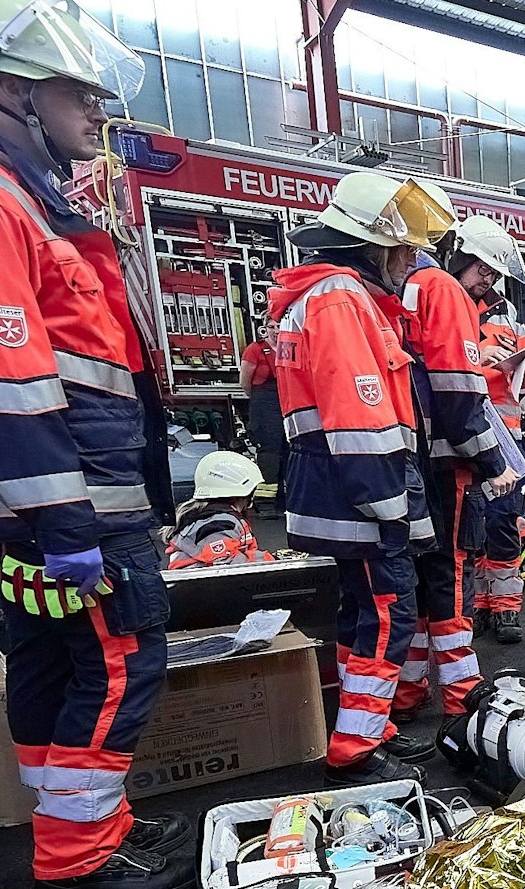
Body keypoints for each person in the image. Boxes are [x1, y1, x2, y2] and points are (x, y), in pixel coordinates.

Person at [0, 0, 186, 889]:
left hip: (61, 505)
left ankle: (68, 834)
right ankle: (78, 861)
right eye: (81, 89)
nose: (99, 107)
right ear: (11, 87)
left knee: (56, 661)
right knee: (117, 664)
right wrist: (66, 525)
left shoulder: (12, 195)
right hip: (72, 510)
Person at [271, 171, 449, 785]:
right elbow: (360, 414)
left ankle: (369, 727)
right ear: (372, 245)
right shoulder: (342, 300)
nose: (411, 261)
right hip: (362, 494)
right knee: (387, 612)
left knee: (359, 612)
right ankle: (357, 747)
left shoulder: (319, 295)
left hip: (335, 489)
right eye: (403, 249)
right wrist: (390, 505)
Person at [390, 208, 521, 709]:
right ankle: (463, 694)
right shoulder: (444, 291)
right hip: (449, 466)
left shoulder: (412, 287)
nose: (486, 285)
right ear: (460, 256)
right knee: (451, 573)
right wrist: (494, 463)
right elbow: (459, 396)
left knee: (424, 577)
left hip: (414, 458)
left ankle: (408, 687)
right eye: (484, 271)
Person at [473, 268, 525, 646]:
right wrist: (479, 358)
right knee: (472, 528)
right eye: (485, 270)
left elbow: (524, 383)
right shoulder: (450, 304)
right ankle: (480, 603)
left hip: (505, 439)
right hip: (464, 434)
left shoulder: (508, 314)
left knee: (503, 523)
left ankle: (507, 606)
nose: (490, 278)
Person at [166, 450, 272, 568]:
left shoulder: (216, 517)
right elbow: (225, 564)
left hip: (203, 582)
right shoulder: (218, 523)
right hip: (201, 584)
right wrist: (268, 559)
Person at [237, 313, 284, 503]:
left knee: (289, 449)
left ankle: (284, 495)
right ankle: (265, 501)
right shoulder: (255, 350)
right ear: (265, 328)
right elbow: (245, 383)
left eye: (279, 326)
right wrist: (259, 401)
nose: (276, 331)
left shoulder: (289, 349)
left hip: (285, 402)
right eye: (272, 327)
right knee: (270, 449)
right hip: (264, 404)